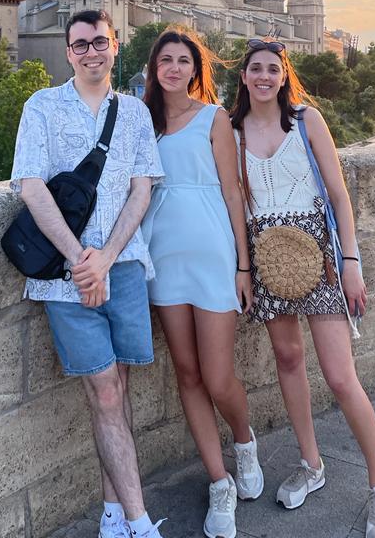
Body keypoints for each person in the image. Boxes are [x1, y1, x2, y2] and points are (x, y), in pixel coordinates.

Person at [230, 39, 375, 538]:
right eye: (255, 69)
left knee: (341, 377)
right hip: (269, 261)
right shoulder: (233, 130)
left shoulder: (306, 120)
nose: (264, 76)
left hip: (320, 259)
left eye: (272, 69)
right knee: (287, 360)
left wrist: (351, 262)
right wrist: (245, 268)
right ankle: (311, 463)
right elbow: (237, 206)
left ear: (284, 76)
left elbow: (340, 196)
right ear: (243, 76)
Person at [10, 10, 167, 538]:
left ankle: (111, 515)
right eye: (80, 45)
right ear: (69, 51)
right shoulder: (42, 106)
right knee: (104, 392)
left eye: (100, 41)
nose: (91, 51)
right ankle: (142, 523)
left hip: (121, 268)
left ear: (116, 45)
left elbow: (141, 189)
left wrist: (106, 257)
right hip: (63, 275)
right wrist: (83, 259)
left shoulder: (135, 113)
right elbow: (30, 187)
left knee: (118, 388)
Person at [141, 29, 264, 538]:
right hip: (163, 258)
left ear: (196, 68)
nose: (173, 68)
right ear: (154, 68)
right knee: (187, 374)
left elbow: (234, 195)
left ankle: (244, 440)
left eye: (183, 60)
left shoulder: (214, 119)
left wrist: (243, 265)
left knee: (217, 377)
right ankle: (219, 483)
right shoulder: (140, 122)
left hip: (213, 255)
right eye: (165, 60)